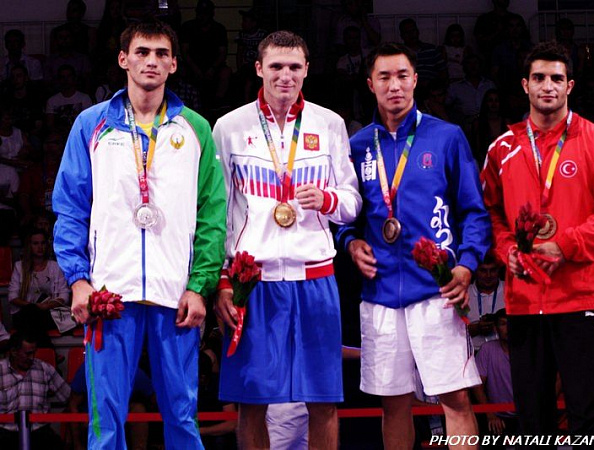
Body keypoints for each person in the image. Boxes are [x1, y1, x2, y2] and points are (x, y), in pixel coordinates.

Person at [52, 20, 227, 450]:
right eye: (142, 52)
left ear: (173, 64)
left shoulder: (196, 128)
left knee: (182, 416)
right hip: (108, 294)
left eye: (161, 53)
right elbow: (70, 207)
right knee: (106, 420)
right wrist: (78, 280)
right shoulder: (91, 124)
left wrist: (200, 286)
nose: (152, 61)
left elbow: (212, 215)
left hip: (176, 294)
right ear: (123, 59)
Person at [336, 42, 491, 449]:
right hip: (380, 294)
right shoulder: (357, 146)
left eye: (402, 76)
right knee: (393, 405)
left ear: (416, 80)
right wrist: (350, 243)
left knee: (455, 399)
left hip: (437, 289)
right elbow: (345, 215)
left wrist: (466, 266)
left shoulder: (447, 137)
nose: (395, 85)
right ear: (370, 84)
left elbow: (474, 212)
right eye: (384, 77)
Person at [212, 30, 361, 449]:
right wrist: (223, 280)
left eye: (294, 67)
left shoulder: (329, 123)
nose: (285, 75)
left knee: (323, 400)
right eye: (276, 66)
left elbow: (352, 202)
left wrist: (328, 199)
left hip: (315, 278)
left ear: (307, 70)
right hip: (253, 281)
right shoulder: (229, 127)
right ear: (259, 68)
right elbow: (218, 212)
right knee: (251, 402)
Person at [481, 41, 594, 438]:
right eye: (539, 78)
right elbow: (489, 213)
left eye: (556, 78)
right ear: (525, 85)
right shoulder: (502, 148)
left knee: (589, 416)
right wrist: (506, 251)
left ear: (570, 86)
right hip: (524, 300)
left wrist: (565, 247)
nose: (547, 86)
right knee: (533, 420)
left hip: (581, 297)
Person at [0, 331, 71, 450]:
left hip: (39, 433)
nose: (32, 358)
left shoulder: (45, 368)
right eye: (28, 354)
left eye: (34, 353)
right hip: (5, 434)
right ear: (14, 352)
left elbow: (69, 397)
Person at [9, 229, 71, 345]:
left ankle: (38, 349)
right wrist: (34, 306)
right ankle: (47, 348)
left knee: (34, 317)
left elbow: (64, 295)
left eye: (43, 243)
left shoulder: (55, 267)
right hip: (24, 313)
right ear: (29, 246)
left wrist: (46, 306)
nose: (40, 247)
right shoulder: (19, 267)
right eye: (35, 243)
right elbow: (12, 297)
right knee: (31, 312)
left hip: (48, 313)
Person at [472, 309, 518, 445]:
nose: (508, 328)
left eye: (511, 323)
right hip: (497, 415)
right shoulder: (487, 349)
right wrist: (490, 414)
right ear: (495, 328)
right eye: (503, 324)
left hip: (526, 414)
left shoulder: (527, 350)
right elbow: (478, 386)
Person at [467, 254, 505, 351]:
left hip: (506, 352)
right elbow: (454, 333)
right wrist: (477, 328)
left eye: (493, 270)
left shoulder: (510, 290)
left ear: (499, 270)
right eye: (483, 270)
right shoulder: (464, 293)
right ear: (475, 271)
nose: (488, 275)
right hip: (473, 352)